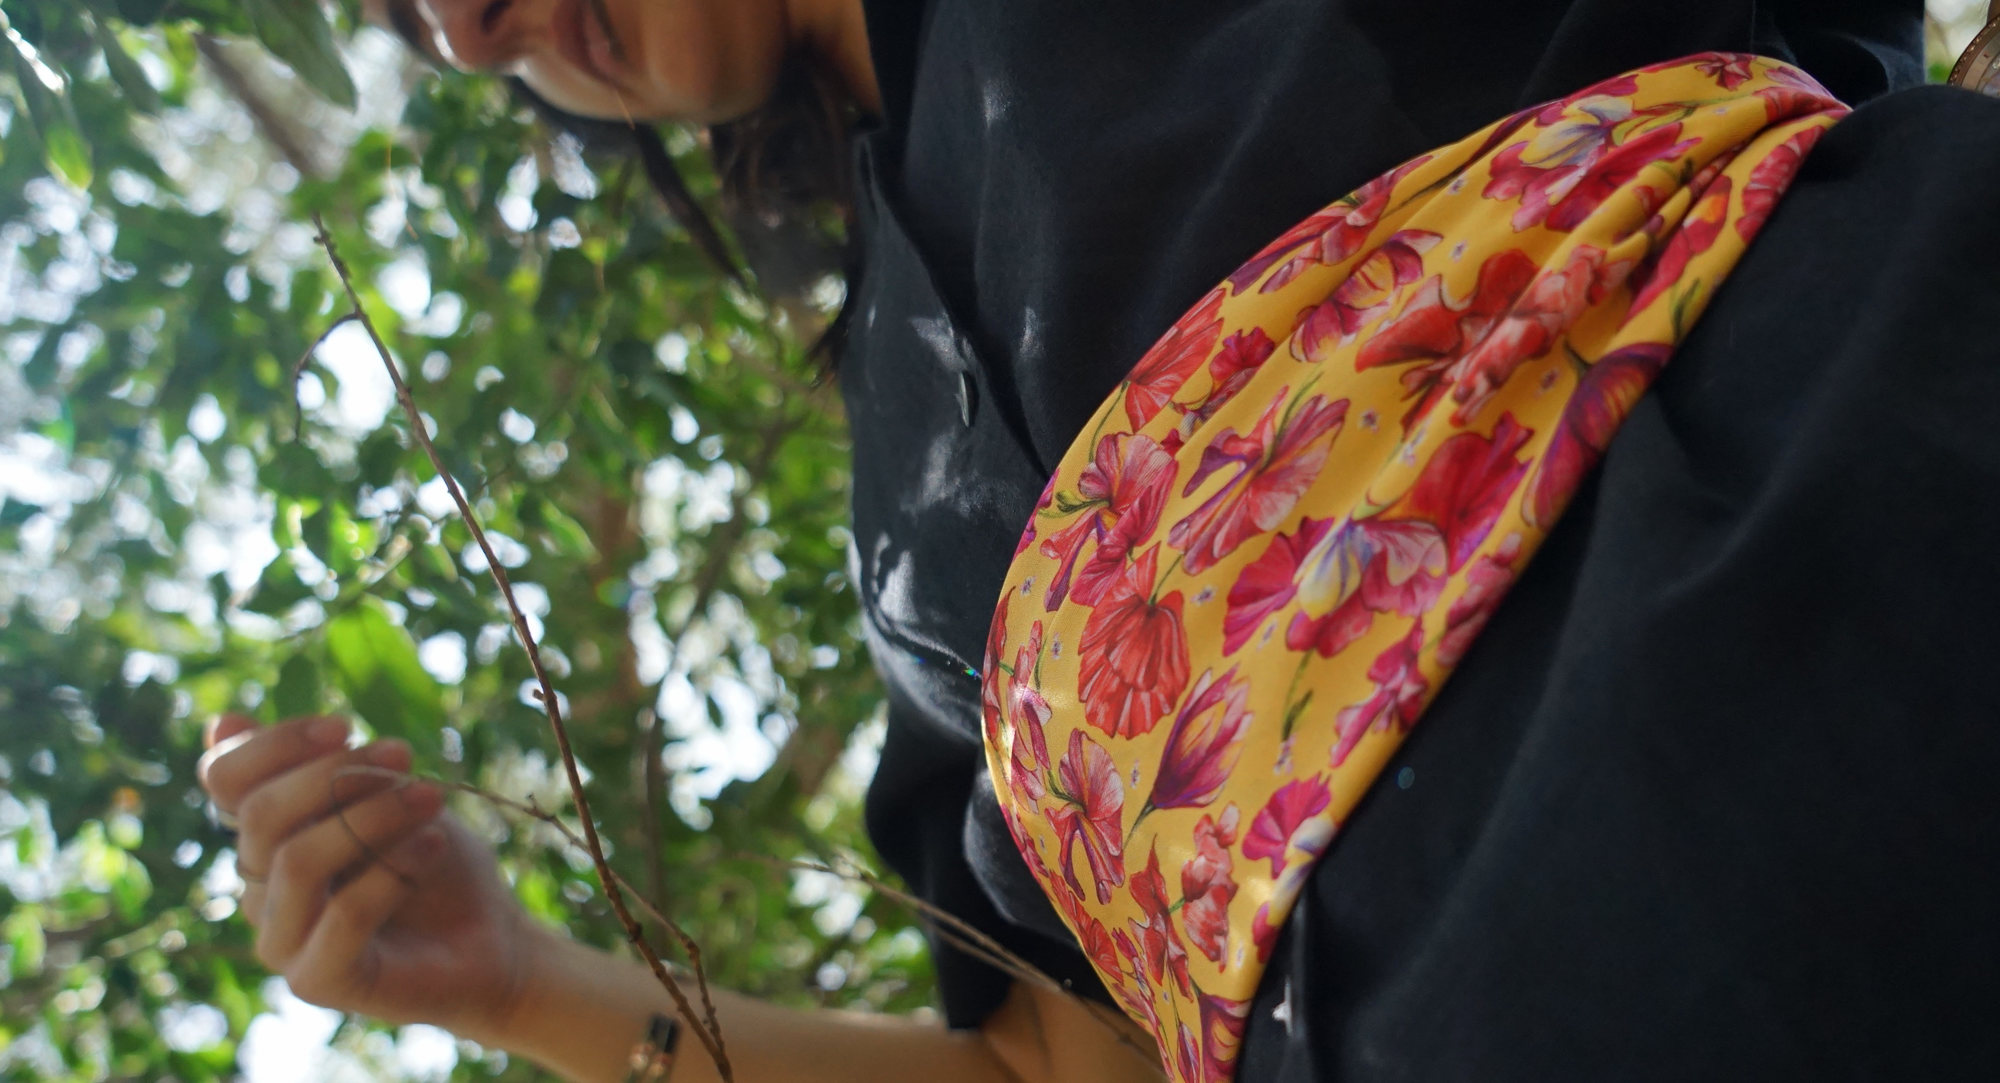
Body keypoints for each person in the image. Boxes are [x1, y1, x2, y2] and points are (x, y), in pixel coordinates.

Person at [197, 1, 2000, 1080]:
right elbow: (1065, 1063)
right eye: (417, 28)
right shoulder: (902, 492)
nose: (463, 24)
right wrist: (535, 992)